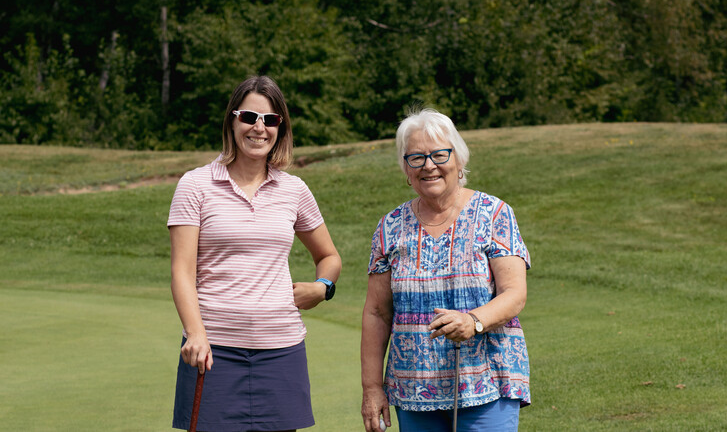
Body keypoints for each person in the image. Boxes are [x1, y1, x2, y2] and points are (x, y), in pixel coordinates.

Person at [168, 75, 342, 432]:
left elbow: (330, 256)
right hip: (214, 350)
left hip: (281, 350)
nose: (259, 128)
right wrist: (195, 332)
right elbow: (182, 272)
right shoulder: (195, 185)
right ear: (232, 121)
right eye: (249, 117)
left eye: (270, 120)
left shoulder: (293, 189)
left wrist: (323, 286)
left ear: (281, 127)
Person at [360, 109, 531, 432]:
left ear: (459, 160)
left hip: (487, 383)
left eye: (439, 154)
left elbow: (515, 293)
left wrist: (473, 321)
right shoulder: (390, 227)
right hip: (412, 392)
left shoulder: (494, 214)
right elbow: (377, 313)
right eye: (416, 158)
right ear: (406, 169)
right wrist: (372, 388)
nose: (429, 165)